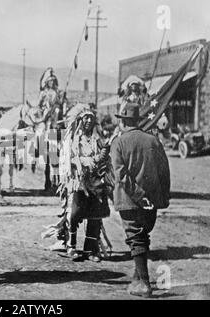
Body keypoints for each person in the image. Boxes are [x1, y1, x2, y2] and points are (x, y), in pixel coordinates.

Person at [110, 102, 170, 298]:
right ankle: (138, 278)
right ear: (137, 120)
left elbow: (120, 175)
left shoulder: (118, 143)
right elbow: (164, 171)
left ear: (123, 121)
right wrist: (162, 198)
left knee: (136, 237)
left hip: (129, 200)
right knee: (143, 235)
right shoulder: (153, 141)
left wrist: (138, 196)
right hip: (152, 201)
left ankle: (144, 283)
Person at [65, 108, 113, 262]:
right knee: (75, 214)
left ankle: (89, 250)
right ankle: (71, 246)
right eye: (85, 118)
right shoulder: (74, 139)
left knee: (95, 215)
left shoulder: (97, 139)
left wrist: (100, 160)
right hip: (80, 181)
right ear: (80, 120)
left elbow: (106, 157)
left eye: (91, 118)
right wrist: (84, 163)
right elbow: (70, 158)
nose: (88, 121)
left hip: (95, 181)